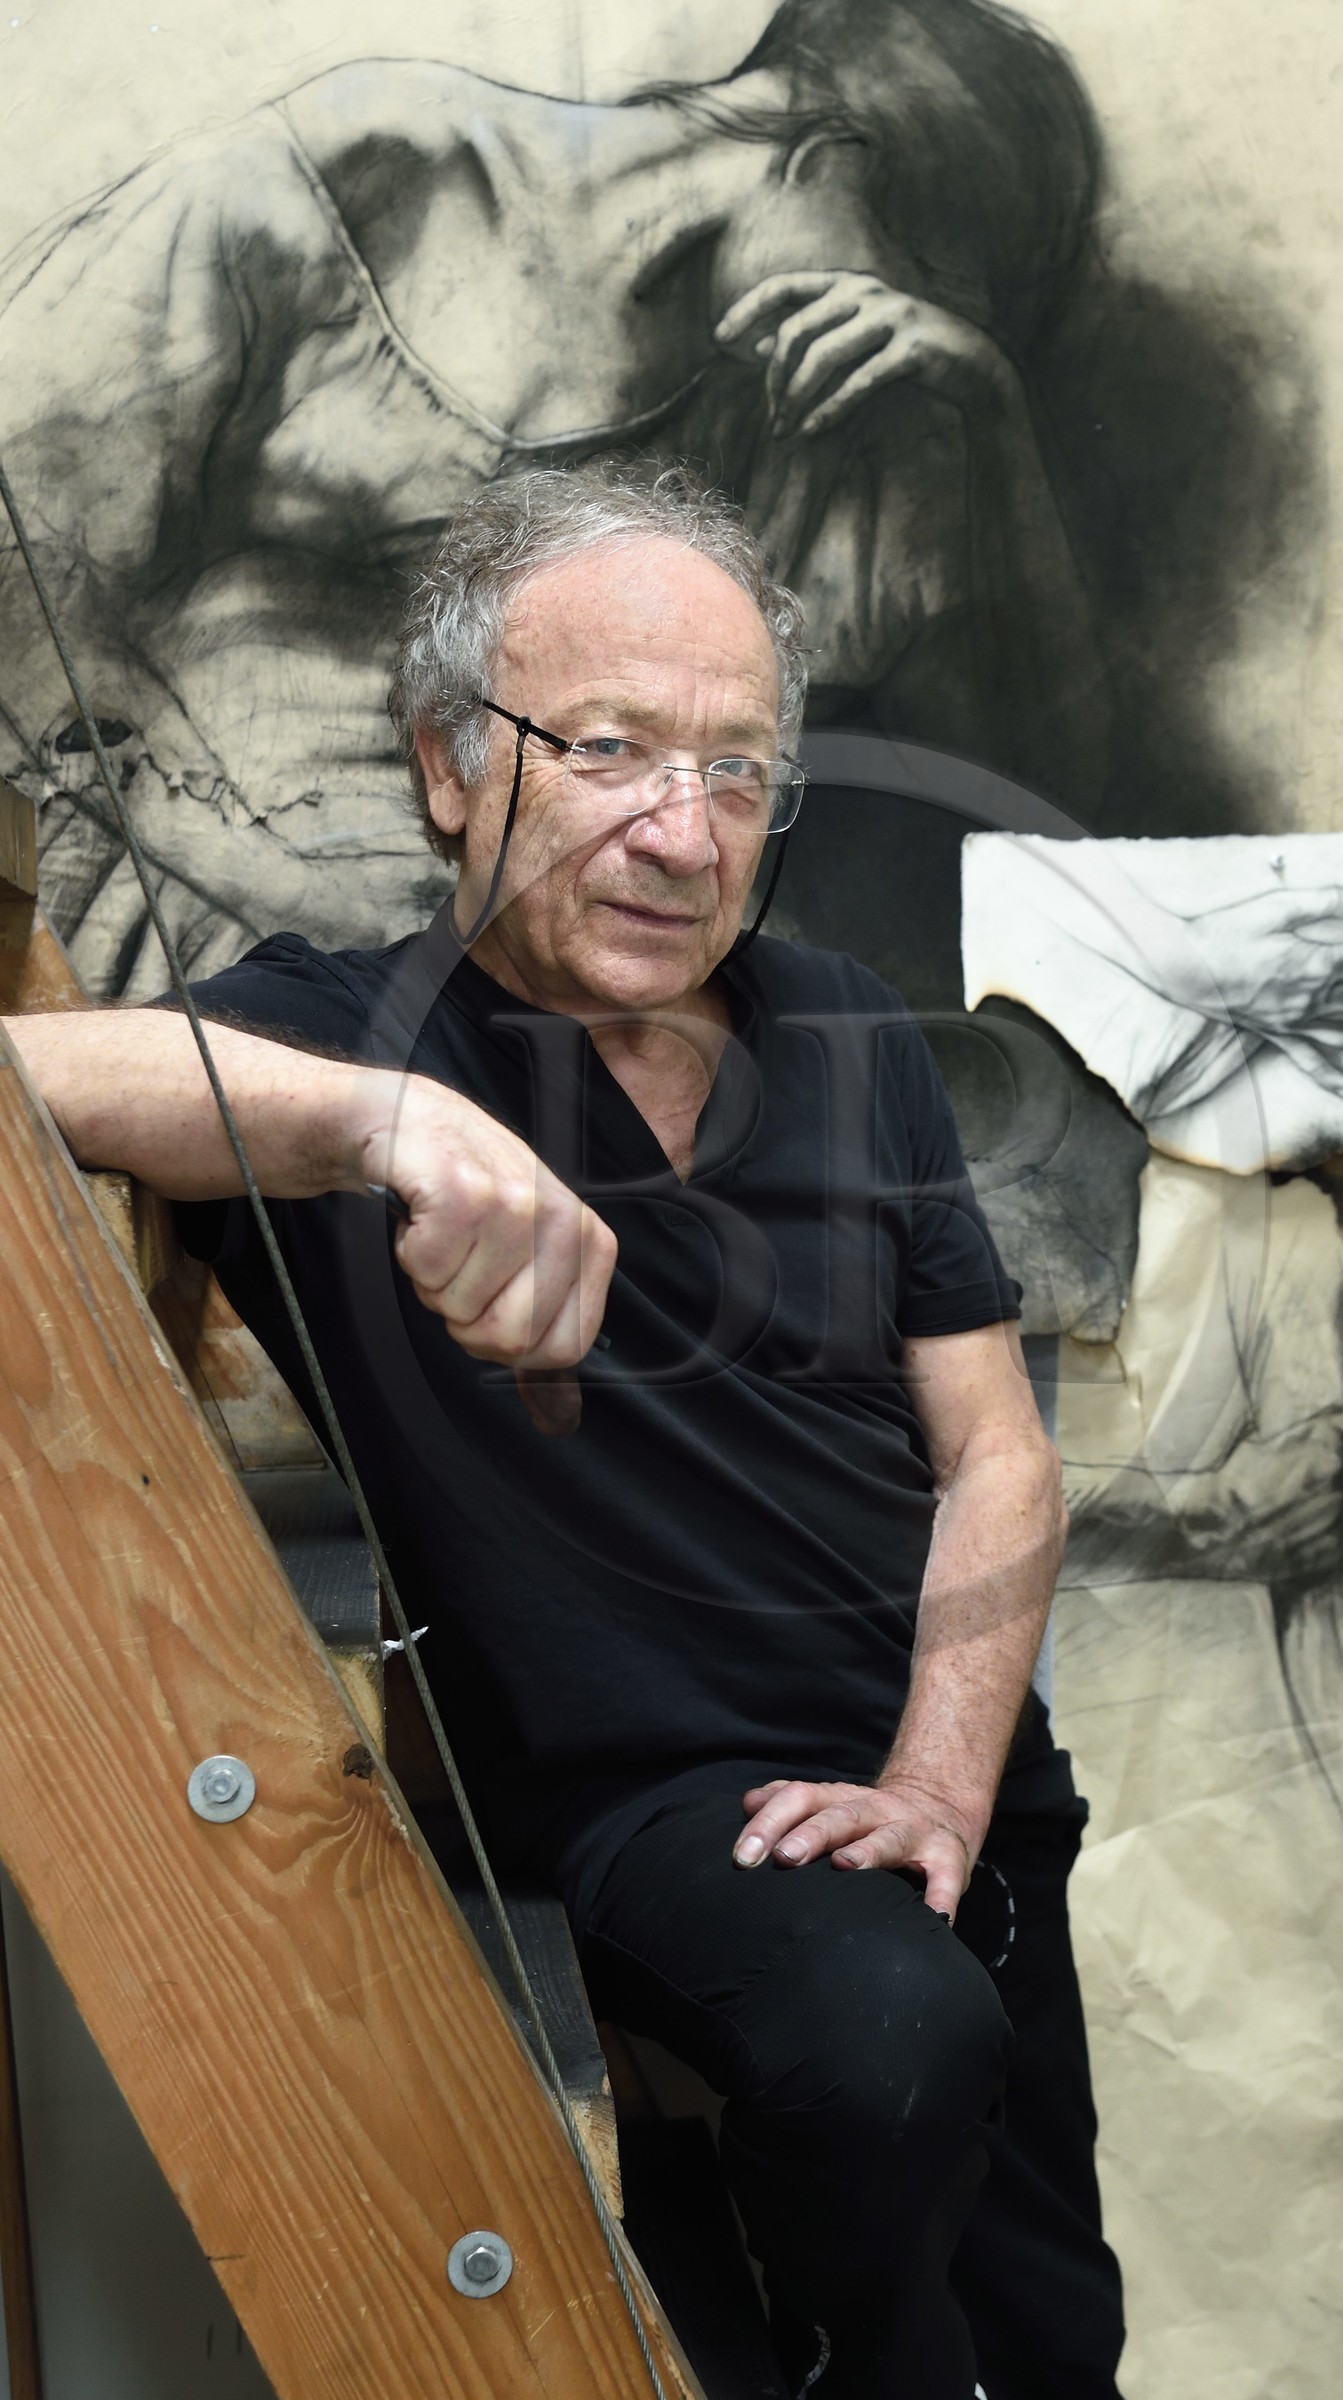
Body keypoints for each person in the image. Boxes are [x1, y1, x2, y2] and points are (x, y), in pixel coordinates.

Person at [5, 459, 1123, 2400]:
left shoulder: (849, 1028)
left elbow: (995, 1453)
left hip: (954, 1794)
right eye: (607, 749)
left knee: (1052, 2342)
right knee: (878, 2060)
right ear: (449, 760)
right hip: (647, 1805)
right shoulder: (338, 1037)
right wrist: (380, 1123)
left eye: (738, 770)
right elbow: (29, 1071)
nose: (681, 833)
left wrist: (938, 1787)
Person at [0, 0, 1107, 998]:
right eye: (907, 286)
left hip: (553, 971)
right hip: (201, 921)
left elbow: (1031, 806)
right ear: (826, 159)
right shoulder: (371, 169)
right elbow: (34, 568)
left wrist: (991, 418)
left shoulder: (830, 408)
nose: (872, 330)